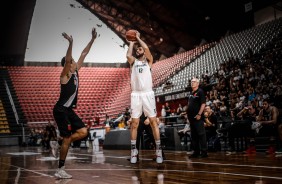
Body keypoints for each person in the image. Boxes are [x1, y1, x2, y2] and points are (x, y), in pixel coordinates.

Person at [52, 27, 97, 179]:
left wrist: (92, 39)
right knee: (67, 138)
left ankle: (60, 143)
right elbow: (69, 57)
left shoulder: (76, 70)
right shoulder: (64, 75)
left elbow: (84, 53)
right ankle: (60, 169)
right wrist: (70, 43)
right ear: (67, 63)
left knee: (84, 132)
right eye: (72, 60)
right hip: (60, 110)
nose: (74, 61)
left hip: (68, 110)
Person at [126, 30, 163, 164]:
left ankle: (158, 151)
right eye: (138, 49)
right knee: (134, 124)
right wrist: (131, 43)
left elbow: (147, 49)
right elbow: (128, 55)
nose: (139, 50)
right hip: (136, 94)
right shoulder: (133, 62)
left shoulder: (149, 61)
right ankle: (133, 151)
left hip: (148, 93)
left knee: (153, 122)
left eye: (139, 49)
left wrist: (138, 39)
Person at [186, 77, 208, 158]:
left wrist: (199, 114)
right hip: (191, 118)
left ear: (198, 83)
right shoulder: (191, 93)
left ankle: (204, 152)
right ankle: (196, 152)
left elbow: (203, 104)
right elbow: (190, 105)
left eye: (194, 82)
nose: (192, 83)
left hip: (197, 117)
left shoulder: (200, 92)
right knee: (194, 136)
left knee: (201, 135)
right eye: (191, 82)